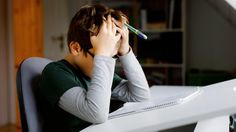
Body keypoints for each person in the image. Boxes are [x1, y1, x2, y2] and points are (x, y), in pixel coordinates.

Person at [38, 4, 150, 132]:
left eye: (112, 57)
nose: (105, 63)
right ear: (76, 48)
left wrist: (124, 51)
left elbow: (141, 96)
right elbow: (97, 114)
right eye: (101, 56)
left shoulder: (95, 72)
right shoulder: (55, 73)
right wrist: (103, 56)